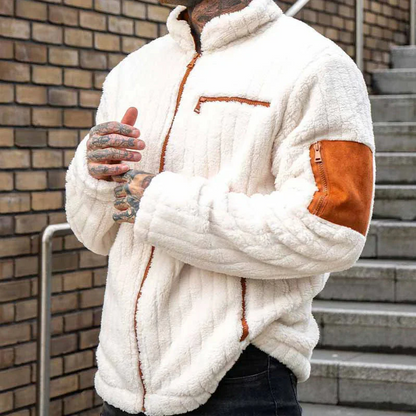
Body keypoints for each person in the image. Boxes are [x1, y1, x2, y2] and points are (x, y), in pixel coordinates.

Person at [64, 0, 375, 414]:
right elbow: (95, 235)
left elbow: (333, 229)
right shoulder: (132, 70)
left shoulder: (317, 65)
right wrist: (93, 175)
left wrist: (159, 203)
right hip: (120, 384)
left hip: (242, 372)